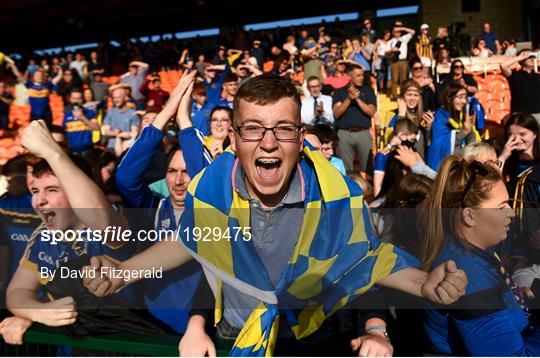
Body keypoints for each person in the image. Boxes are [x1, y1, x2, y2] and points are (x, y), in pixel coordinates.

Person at [82, 74, 467, 356]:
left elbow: (366, 259)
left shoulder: (335, 193)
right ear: (233, 139)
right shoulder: (211, 186)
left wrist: (423, 284)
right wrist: (121, 273)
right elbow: (193, 241)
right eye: (253, 129)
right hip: (235, 335)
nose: (268, 142)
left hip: (309, 340)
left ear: (300, 140)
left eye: (282, 129)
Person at [2, 120, 131, 343]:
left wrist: (52, 152)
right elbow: (18, 291)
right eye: (34, 191)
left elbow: (102, 223)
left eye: (52, 190)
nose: (39, 201)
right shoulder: (44, 235)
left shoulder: (114, 220)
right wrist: (35, 312)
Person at [115, 73, 209, 333]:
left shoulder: (210, 211)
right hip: (154, 328)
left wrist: (184, 121)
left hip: (199, 328)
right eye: (171, 172)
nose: (179, 180)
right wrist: (165, 113)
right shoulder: (152, 209)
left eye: (185, 171)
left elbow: (205, 177)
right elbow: (125, 177)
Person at [421, 156, 540, 356]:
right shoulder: (466, 276)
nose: (511, 213)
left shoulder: (472, 251)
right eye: (502, 207)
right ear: (470, 216)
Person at [333, 64, 377, 175]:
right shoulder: (339, 92)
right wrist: (348, 99)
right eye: (358, 75)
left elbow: (371, 112)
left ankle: (369, 191)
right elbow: (337, 113)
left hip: (363, 133)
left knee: (367, 168)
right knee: (346, 170)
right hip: (344, 134)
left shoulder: (368, 91)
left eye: (362, 75)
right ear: (349, 76)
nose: (362, 77)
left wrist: (357, 100)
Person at [374, 118, 419, 197]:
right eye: (412, 140)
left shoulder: (410, 153)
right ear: (402, 136)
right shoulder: (383, 156)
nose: (413, 143)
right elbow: (378, 188)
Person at [388, 79, 433, 158]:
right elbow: (392, 141)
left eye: (415, 95)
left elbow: (428, 144)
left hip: (419, 162)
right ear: (402, 96)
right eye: (409, 94)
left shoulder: (424, 117)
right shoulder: (392, 115)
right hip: (400, 161)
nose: (412, 98)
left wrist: (428, 129)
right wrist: (401, 116)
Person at [499, 113, 540, 188]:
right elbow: (492, 180)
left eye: (523, 134)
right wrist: (503, 157)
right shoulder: (507, 162)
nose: (516, 140)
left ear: (535, 134)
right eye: (511, 135)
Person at [501, 50, 540, 122]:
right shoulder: (515, 75)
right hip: (520, 114)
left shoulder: (537, 76)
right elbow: (503, 66)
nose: (532, 59)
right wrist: (519, 57)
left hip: (538, 113)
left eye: (533, 57)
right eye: (529, 57)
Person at [102, 86, 141, 155]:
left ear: (126, 98)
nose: (115, 100)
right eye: (114, 98)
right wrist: (117, 134)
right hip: (111, 147)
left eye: (118, 97)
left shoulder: (133, 113)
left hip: (126, 148)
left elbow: (134, 133)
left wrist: (116, 134)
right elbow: (105, 131)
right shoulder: (110, 112)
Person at [62, 88, 99, 156]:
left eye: (79, 98)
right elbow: (64, 131)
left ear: (82, 99)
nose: (76, 101)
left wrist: (82, 117)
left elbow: (96, 128)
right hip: (72, 150)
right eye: (74, 98)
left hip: (87, 149)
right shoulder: (67, 115)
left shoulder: (89, 112)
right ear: (70, 99)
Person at [387, 25, 416, 100]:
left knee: (403, 79)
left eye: (399, 31)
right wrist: (392, 50)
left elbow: (413, 32)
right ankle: (394, 95)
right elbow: (385, 53)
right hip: (394, 61)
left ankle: (403, 95)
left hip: (403, 61)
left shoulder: (403, 38)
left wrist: (402, 28)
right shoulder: (390, 42)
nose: (398, 32)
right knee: (395, 79)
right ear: (393, 32)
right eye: (396, 31)